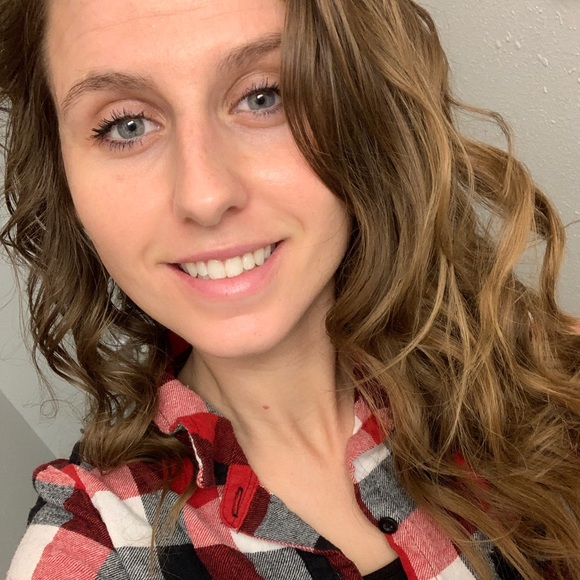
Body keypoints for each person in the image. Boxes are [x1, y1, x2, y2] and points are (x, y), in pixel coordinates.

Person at [1, 0, 579, 578]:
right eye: (126, 126)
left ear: (367, 106)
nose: (204, 196)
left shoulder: (544, 375)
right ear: (63, 175)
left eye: (264, 96)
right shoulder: (93, 551)